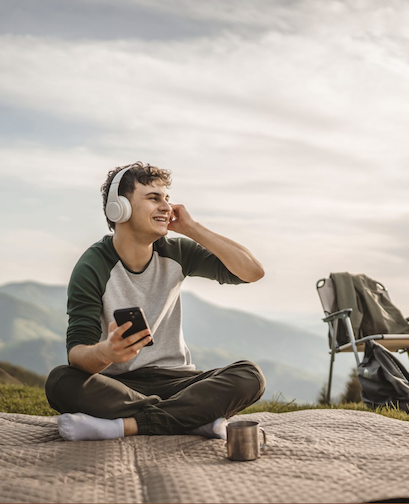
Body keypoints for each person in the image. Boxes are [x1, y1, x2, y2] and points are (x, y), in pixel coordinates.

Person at [45, 161, 266, 441]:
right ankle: (190, 419)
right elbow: (77, 353)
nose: (167, 207)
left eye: (167, 199)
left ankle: (125, 426)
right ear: (119, 207)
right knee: (60, 382)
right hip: (119, 385)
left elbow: (252, 272)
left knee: (250, 375)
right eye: (153, 198)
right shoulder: (92, 266)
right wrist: (107, 353)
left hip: (179, 381)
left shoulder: (177, 252)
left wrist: (193, 228)